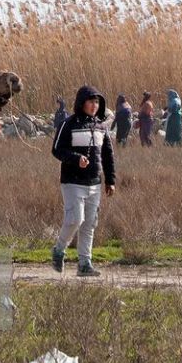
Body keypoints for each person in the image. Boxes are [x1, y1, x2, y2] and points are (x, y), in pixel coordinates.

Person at [50, 85, 117, 277]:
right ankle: (59, 250)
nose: (94, 106)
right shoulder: (68, 124)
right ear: (81, 103)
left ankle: (84, 264)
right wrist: (75, 159)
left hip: (94, 183)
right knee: (75, 220)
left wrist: (110, 180)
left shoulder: (101, 126)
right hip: (72, 182)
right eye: (90, 101)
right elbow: (57, 150)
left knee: (89, 224)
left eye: (97, 102)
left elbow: (108, 155)